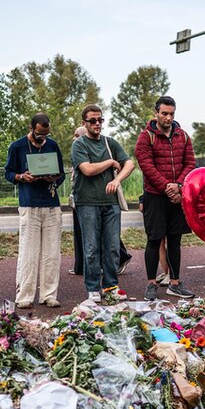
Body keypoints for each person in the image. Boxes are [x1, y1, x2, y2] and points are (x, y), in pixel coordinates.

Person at [134, 95, 195, 300]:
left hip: (177, 196)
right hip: (155, 197)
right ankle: (151, 284)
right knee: (154, 239)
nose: (168, 118)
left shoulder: (183, 136)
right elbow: (146, 165)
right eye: (164, 113)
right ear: (156, 113)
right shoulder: (146, 137)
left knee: (175, 240)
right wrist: (167, 187)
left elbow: (190, 163)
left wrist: (178, 186)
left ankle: (174, 283)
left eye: (171, 114)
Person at [71, 105, 135, 301]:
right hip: (87, 202)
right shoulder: (79, 144)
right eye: (93, 120)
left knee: (112, 247)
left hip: (111, 203)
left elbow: (130, 163)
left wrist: (117, 180)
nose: (97, 123)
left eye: (100, 120)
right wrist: (110, 162)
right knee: (91, 248)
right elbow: (87, 170)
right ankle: (93, 288)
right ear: (84, 123)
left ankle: (110, 286)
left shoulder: (110, 142)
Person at [4, 113, 65, 309]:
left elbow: (62, 174)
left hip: (51, 203)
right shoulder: (17, 146)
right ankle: (24, 295)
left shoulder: (52, 146)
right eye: (39, 134)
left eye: (46, 134)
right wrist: (22, 177)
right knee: (28, 252)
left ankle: (49, 294)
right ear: (31, 128)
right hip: (29, 204)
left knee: (52, 253)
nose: (43, 138)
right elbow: (8, 173)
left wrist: (53, 178)